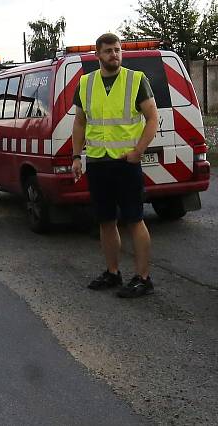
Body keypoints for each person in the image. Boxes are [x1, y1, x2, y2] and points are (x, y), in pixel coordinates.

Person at [71, 33, 159, 298]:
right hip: (98, 162)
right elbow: (80, 122)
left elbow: (152, 119)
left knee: (134, 220)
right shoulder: (85, 83)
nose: (114, 55)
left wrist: (138, 151)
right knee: (106, 220)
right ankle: (112, 272)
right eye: (108, 51)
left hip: (125, 163)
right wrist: (76, 156)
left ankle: (143, 278)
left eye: (117, 50)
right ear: (98, 54)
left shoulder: (136, 80)